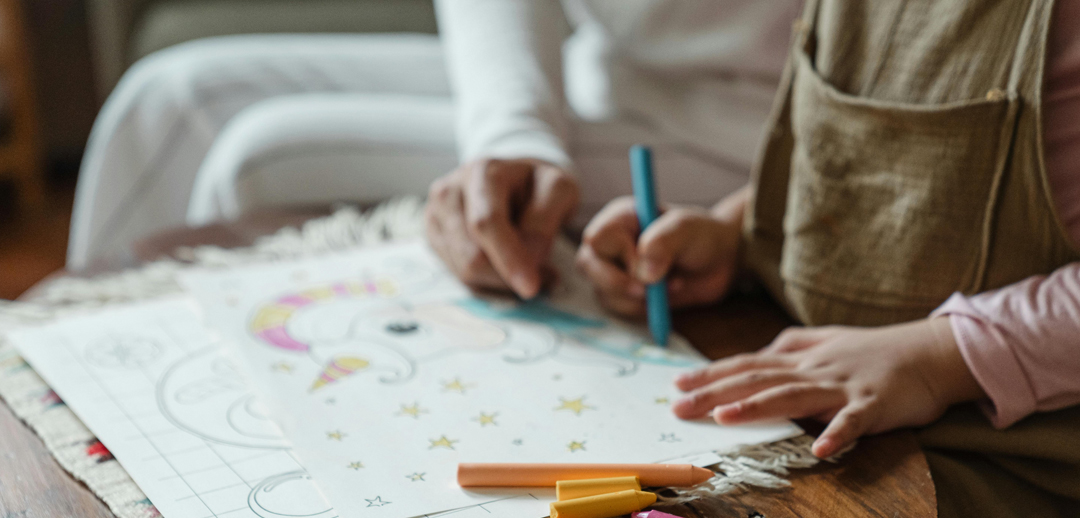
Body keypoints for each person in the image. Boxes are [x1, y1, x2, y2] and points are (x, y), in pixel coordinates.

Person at [573, 1, 1080, 518]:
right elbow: (868, 158)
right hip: (818, 365)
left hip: (1016, 452)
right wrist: (739, 232)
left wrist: (941, 356)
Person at [67, 0, 802, 272]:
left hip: (747, 128)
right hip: (596, 68)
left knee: (258, 158)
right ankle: (81, 490)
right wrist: (514, 130)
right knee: (165, 98)